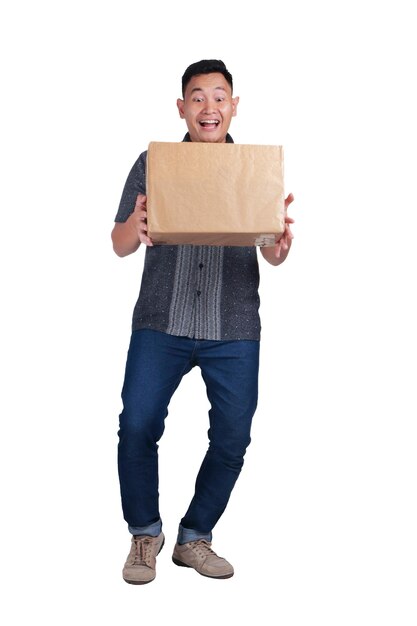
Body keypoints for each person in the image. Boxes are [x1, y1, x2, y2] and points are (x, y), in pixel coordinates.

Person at [111, 59, 294, 584]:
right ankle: (145, 533)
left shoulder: (255, 170)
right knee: (137, 426)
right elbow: (119, 244)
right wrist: (135, 225)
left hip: (233, 326)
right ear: (182, 107)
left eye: (219, 96)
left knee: (233, 438)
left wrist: (279, 248)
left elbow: (270, 254)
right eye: (197, 96)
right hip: (160, 319)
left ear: (233, 106)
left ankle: (196, 538)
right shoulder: (153, 163)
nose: (208, 106)